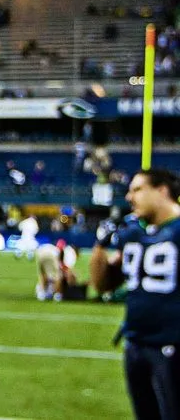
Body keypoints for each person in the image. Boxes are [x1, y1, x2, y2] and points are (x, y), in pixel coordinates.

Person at [91, 169, 180, 420]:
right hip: (137, 344)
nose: (130, 197)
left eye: (138, 189)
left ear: (162, 191)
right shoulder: (134, 235)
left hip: (172, 345)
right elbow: (102, 284)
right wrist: (100, 245)